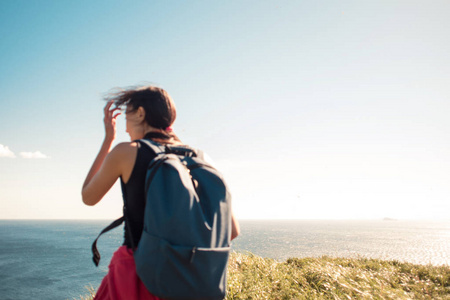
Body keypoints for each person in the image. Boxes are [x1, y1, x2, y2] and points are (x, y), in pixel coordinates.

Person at [82, 86, 240, 300]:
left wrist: (108, 140)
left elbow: (88, 196)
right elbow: (231, 230)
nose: (126, 129)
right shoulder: (201, 158)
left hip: (137, 278)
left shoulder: (126, 151)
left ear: (140, 113)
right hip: (189, 283)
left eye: (127, 116)